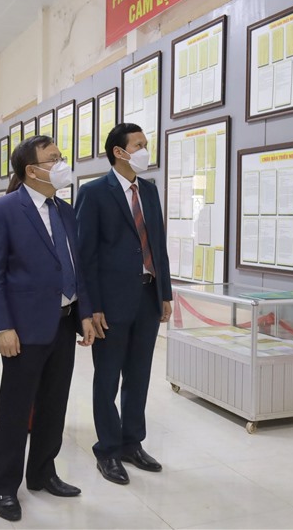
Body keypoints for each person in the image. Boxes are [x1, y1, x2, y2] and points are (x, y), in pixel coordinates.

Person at [0, 136, 96, 522]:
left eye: (61, 157)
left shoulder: (65, 210)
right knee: (15, 410)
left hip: (63, 323)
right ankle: (4, 486)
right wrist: (3, 327)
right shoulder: (3, 210)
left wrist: (84, 313)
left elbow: (76, 267)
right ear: (32, 170)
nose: (62, 164)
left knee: (54, 404)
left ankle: (43, 472)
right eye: (54, 159)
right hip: (24, 328)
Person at [74, 123, 173, 485]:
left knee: (139, 374)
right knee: (107, 377)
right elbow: (85, 255)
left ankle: (132, 442)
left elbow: (158, 244)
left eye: (146, 144)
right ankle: (108, 449)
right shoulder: (94, 193)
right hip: (110, 303)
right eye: (139, 145)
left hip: (148, 296)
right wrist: (92, 306)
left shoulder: (149, 190)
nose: (146, 150)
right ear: (119, 152)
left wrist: (165, 293)